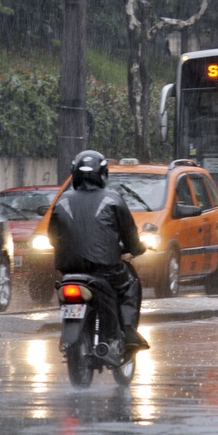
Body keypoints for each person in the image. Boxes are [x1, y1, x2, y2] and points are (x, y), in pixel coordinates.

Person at [49, 150, 150, 353]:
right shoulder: (113, 200)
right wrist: (137, 249)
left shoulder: (62, 201)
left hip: (68, 271)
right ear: (103, 174)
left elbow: (53, 236)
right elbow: (130, 236)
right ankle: (128, 330)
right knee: (130, 283)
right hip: (105, 271)